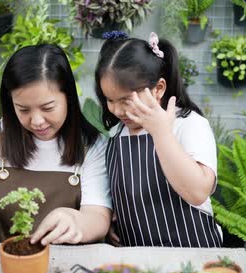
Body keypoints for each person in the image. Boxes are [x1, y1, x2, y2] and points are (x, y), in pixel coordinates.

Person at [0, 44, 112, 245]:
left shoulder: (91, 146)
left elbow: (98, 218)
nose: (36, 121)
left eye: (47, 107)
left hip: (61, 261)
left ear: (69, 98)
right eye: (23, 109)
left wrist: (76, 222)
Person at [95, 31, 222, 248]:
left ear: (159, 88)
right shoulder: (115, 135)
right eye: (110, 100)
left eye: (126, 99)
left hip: (194, 253)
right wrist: (111, 221)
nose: (117, 110)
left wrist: (161, 133)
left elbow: (198, 192)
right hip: (138, 260)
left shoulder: (188, 124)